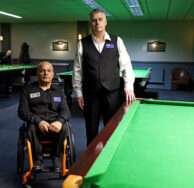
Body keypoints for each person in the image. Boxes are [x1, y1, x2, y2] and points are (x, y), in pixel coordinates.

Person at [72, 8, 135, 146]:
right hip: (91, 93)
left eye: (100, 19)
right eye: (94, 20)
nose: (97, 23)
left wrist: (128, 87)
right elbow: (77, 70)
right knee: (91, 129)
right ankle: (91, 161)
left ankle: (108, 155)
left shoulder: (116, 40)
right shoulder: (82, 43)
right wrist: (78, 93)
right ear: (90, 23)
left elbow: (126, 65)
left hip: (112, 92)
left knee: (112, 128)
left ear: (105, 22)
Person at [18, 61, 71, 171]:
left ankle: (56, 157)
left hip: (55, 126)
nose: (45, 73)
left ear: (53, 74)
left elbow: (66, 111)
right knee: (31, 127)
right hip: (37, 126)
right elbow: (22, 111)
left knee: (65, 127)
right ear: (37, 73)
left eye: (49, 71)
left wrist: (59, 121)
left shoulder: (59, 92)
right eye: (42, 71)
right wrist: (38, 121)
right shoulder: (27, 90)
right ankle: (37, 160)